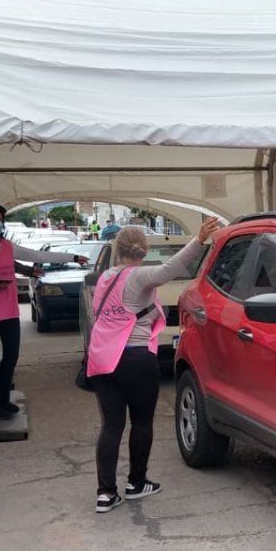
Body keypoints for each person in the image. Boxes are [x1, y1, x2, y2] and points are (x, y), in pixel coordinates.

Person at [88, 217, 220, 513]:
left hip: (103, 358)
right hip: (135, 356)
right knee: (141, 421)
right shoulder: (137, 276)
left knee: (111, 425)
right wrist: (198, 240)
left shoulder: (105, 278)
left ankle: (105, 493)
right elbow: (170, 269)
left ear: (117, 249)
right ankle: (136, 483)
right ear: (143, 250)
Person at [0, 204, 89, 419]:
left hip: (9, 308)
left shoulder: (7, 246)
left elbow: (36, 254)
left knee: (11, 356)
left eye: (1, 219)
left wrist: (72, 257)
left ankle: (3, 399)